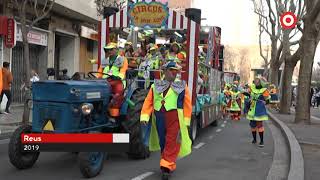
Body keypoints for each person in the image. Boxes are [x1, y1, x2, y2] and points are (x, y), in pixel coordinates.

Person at [140, 61, 192, 180]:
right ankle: (168, 162)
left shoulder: (182, 86)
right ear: (164, 71)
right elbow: (148, 102)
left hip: (174, 117)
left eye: (176, 70)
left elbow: (187, 104)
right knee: (162, 141)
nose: (174, 72)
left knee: (171, 141)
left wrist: (186, 121)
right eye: (171, 70)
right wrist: (145, 116)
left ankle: (166, 166)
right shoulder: (155, 86)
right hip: (159, 117)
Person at [102, 42, 128, 119]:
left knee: (117, 94)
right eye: (107, 50)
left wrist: (118, 77)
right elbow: (100, 71)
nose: (108, 52)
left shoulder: (122, 59)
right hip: (105, 82)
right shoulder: (105, 60)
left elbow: (123, 71)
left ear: (116, 50)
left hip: (118, 82)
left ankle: (114, 116)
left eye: (110, 49)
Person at [246, 77, 270, 147]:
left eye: (258, 82)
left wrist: (265, 102)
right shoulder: (252, 88)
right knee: (252, 125)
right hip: (252, 109)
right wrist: (249, 98)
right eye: (256, 81)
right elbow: (249, 95)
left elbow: (267, 100)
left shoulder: (264, 90)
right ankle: (254, 139)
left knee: (259, 125)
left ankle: (262, 141)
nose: (256, 83)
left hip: (259, 110)